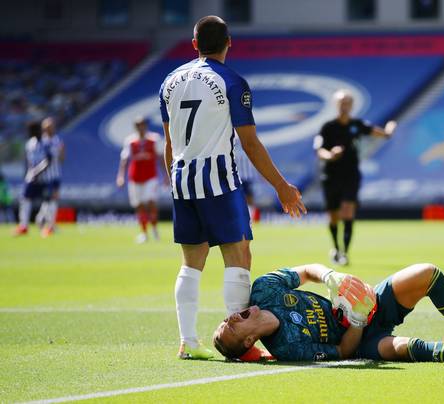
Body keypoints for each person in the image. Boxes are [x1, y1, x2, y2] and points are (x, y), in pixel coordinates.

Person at [159, 15, 306, 360]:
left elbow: (169, 142)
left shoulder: (169, 80)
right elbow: (250, 144)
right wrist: (282, 186)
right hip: (218, 182)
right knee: (238, 257)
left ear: (194, 44)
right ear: (230, 42)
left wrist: (174, 182)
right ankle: (241, 345)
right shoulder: (232, 82)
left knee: (191, 263)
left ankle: (188, 342)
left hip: (181, 181)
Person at [213, 263, 444, 365]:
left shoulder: (264, 290)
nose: (230, 318)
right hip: (362, 337)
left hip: (368, 304)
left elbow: (307, 270)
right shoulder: (288, 348)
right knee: (409, 347)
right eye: (230, 328)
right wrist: (357, 321)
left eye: (226, 319)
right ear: (250, 339)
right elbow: (343, 351)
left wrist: (329, 277)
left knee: (428, 273)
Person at [315, 90, 396, 265]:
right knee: (334, 216)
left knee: (348, 212)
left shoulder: (357, 125)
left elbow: (380, 133)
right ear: (336, 105)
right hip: (330, 176)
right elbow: (319, 150)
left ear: (351, 105)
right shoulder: (327, 127)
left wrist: (389, 130)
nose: (344, 106)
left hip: (351, 175)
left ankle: (345, 253)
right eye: (341, 103)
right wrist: (330, 155)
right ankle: (336, 247)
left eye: (347, 103)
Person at [116, 116, 167, 243]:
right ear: (135, 127)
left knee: (151, 202)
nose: (141, 127)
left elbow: (161, 158)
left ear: (146, 125)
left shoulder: (154, 139)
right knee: (139, 206)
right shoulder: (130, 141)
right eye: (138, 125)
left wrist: (166, 175)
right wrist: (121, 176)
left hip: (150, 177)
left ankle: (155, 230)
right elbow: (124, 159)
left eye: (142, 124)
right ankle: (144, 233)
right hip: (135, 177)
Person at [13, 121, 50, 236]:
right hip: (31, 177)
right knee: (25, 199)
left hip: (44, 177)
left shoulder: (45, 142)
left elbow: (49, 160)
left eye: (33, 130)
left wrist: (37, 171)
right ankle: (24, 226)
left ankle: (45, 225)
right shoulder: (30, 143)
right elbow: (28, 162)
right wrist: (28, 174)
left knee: (47, 201)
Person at [36, 117, 65, 237]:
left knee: (52, 200)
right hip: (45, 176)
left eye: (52, 125)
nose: (51, 128)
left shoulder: (57, 140)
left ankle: (43, 220)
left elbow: (62, 159)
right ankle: (49, 225)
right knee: (49, 200)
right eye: (48, 126)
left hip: (56, 174)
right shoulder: (41, 142)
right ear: (44, 128)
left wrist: (62, 151)